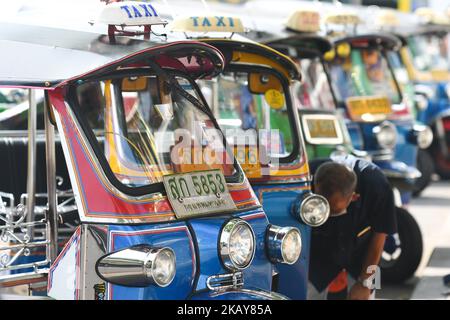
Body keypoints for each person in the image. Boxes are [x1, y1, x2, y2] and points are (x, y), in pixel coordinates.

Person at [307, 154, 397, 300]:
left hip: (365, 251)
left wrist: (365, 283)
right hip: (319, 249)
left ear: (354, 197)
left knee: (367, 294)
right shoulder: (306, 177)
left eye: (334, 211)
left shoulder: (378, 186)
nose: (328, 215)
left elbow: (380, 238)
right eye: (324, 209)